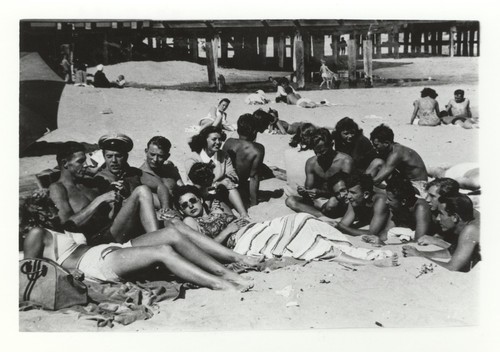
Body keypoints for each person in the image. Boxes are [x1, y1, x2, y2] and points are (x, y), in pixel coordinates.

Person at [20, 190, 254, 292]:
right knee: (162, 250)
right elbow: (31, 269)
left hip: (107, 251)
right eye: (51, 208)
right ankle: (217, 283)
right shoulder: (37, 233)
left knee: (173, 232)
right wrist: (67, 274)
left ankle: (225, 272)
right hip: (92, 264)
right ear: (40, 213)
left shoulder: (58, 229)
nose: (56, 210)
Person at [173, 185, 399, 267]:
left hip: (255, 229)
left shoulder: (214, 207)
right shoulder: (190, 222)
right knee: (302, 242)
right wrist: (228, 231)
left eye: (193, 200)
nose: (191, 206)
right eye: (185, 205)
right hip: (242, 243)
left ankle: (357, 250)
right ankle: (361, 262)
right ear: (181, 210)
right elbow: (203, 248)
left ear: (200, 200)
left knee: (305, 220)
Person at [48, 141, 162, 246]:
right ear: (65, 163)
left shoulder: (88, 183)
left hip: (111, 229)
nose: (86, 165)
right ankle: (157, 240)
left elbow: (108, 215)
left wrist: (116, 198)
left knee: (168, 221)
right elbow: (67, 226)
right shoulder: (57, 188)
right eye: (80, 161)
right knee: (142, 191)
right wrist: (99, 200)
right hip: (96, 241)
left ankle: (158, 238)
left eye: (85, 160)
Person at [286, 128, 353, 219]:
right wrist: (303, 191)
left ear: (331, 145)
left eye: (322, 152)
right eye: (316, 152)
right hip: (318, 201)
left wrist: (319, 192)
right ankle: (322, 216)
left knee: (332, 203)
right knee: (290, 200)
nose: (318, 156)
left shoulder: (345, 161)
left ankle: (316, 214)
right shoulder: (311, 163)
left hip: (337, 200)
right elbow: (308, 189)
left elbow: (347, 192)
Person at [402, 194, 480, 272]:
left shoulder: (470, 230)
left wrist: (419, 255)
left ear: (455, 217)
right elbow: (449, 253)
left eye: (441, 214)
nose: (438, 218)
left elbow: (452, 268)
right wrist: (419, 253)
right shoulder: (465, 225)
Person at [94, 134, 172, 212]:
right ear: (104, 157)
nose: (114, 160)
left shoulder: (133, 173)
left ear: (126, 157)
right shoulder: (101, 179)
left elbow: (160, 186)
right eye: (109, 156)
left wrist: (165, 207)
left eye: (118, 156)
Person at [185, 126, 248, 218]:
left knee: (230, 186)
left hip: (220, 192)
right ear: (204, 140)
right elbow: (195, 185)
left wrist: (228, 180)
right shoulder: (193, 159)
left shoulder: (223, 155)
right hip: (202, 195)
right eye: (214, 139)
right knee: (228, 216)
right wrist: (218, 184)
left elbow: (233, 174)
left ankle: (244, 214)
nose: (218, 143)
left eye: (220, 139)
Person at [362, 176, 433, 246]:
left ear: (403, 201)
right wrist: (376, 239)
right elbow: (387, 231)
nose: (386, 202)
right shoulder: (397, 206)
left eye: (390, 199)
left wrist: (385, 245)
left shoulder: (421, 208)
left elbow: (418, 241)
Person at [365, 124, 428, 195]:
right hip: (406, 181)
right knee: (377, 162)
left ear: (386, 143)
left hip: (418, 186)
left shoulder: (396, 153)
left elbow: (377, 180)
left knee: (369, 188)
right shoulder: (389, 149)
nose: (374, 148)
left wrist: (364, 185)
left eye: (376, 145)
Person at [222, 114, 265, 207]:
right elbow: (254, 177)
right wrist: (254, 203)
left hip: (224, 186)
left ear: (238, 130)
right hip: (239, 189)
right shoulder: (258, 149)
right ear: (254, 131)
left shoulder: (229, 142)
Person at [334, 174, 391, 238]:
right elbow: (344, 224)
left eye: (353, 193)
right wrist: (340, 226)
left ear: (366, 194)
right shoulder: (354, 200)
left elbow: (372, 233)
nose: (348, 196)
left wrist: (342, 228)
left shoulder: (380, 201)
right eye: (348, 192)